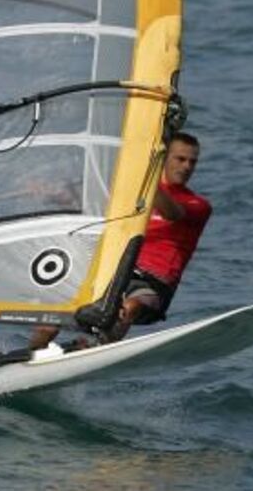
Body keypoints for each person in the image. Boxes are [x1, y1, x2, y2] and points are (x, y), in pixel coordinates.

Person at [29, 132, 212, 349]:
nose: (187, 166)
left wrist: (145, 179)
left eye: (192, 161)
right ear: (164, 158)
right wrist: (49, 193)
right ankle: (27, 358)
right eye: (180, 159)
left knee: (130, 306)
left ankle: (97, 346)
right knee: (49, 321)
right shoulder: (130, 194)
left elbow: (171, 213)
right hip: (114, 271)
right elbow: (86, 202)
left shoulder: (197, 205)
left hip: (152, 286)